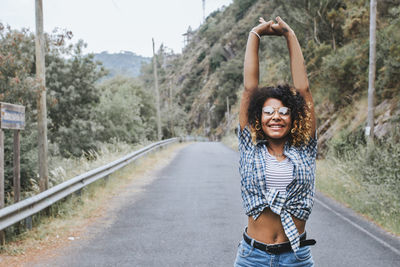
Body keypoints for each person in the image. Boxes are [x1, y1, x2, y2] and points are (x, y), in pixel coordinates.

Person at [234, 16, 318, 267]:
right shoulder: (250, 147)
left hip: (296, 257)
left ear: (293, 117)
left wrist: (289, 34)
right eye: (269, 112)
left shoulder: (304, 148)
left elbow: (304, 91)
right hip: (253, 257)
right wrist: (254, 35)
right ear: (258, 118)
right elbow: (250, 89)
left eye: (283, 112)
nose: (276, 118)